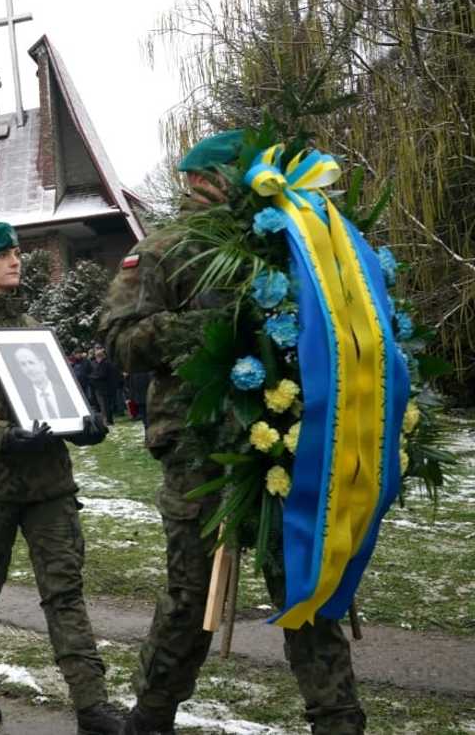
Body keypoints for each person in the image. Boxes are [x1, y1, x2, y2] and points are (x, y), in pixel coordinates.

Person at [99, 131, 366, 735]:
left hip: (285, 436)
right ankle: (151, 715)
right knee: (191, 595)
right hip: (200, 446)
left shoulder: (280, 242)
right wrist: (206, 327)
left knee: (304, 580)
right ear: (206, 180)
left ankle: (338, 719)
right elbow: (120, 339)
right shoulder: (164, 250)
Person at [0, 221, 122, 735]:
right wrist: (3, 436)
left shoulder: (35, 327)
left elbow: (58, 399)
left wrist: (84, 425)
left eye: (16, 253)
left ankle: (91, 704)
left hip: (48, 485)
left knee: (65, 591)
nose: (16, 260)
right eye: (4, 255)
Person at [8, 345, 77, 420]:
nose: (29, 369)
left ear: (43, 365)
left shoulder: (68, 392)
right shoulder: (22, 401)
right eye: (23, 364)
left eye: (31, 362)